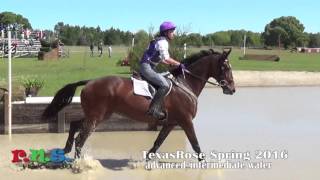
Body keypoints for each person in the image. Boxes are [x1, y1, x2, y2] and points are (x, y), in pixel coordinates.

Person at [139, 21, 185, 121]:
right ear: (166, 32)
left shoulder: (158, 40)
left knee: (168, 76)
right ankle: (153, 109)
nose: (173, 34)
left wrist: (174, 66)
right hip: (147, 67)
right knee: (165, 85)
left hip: (149, 67)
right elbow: (167, 58)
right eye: (172, 31)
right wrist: (179, 64)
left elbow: (163, 60)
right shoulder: (162, 42)